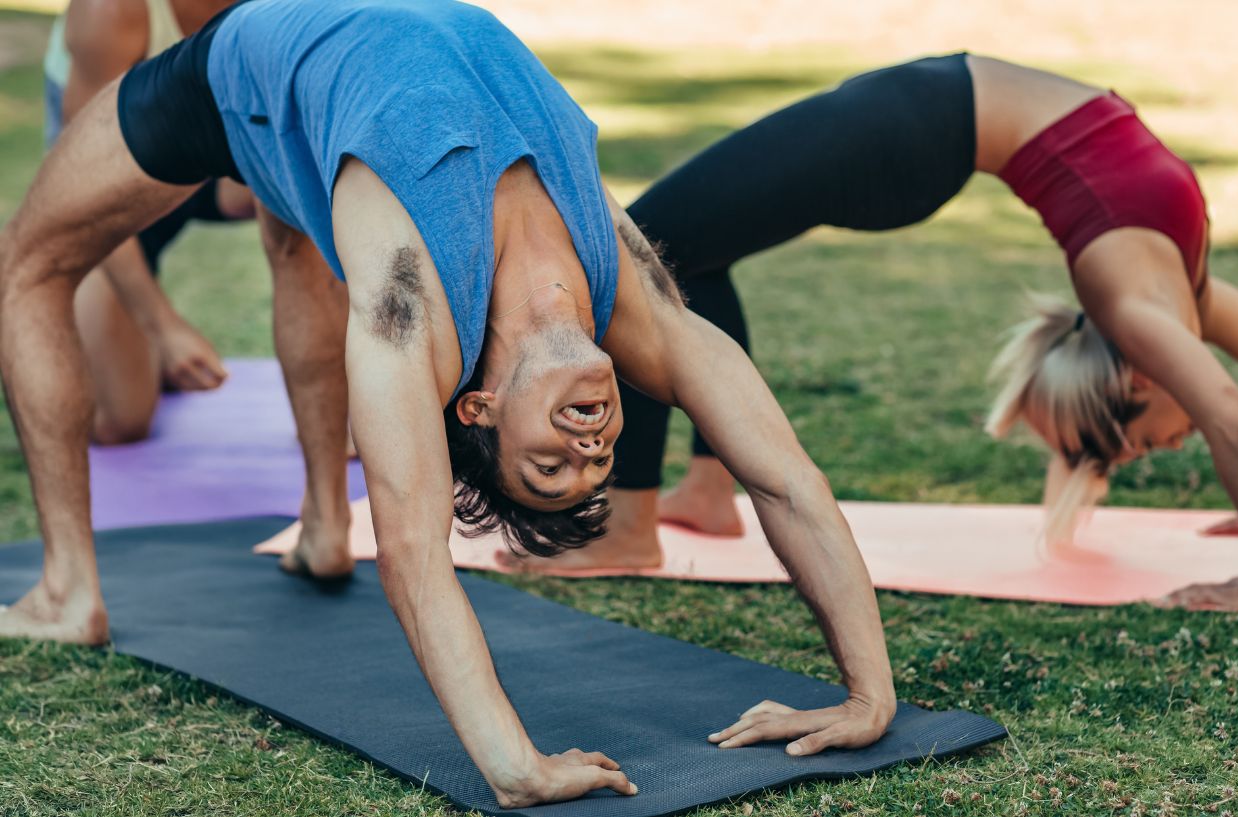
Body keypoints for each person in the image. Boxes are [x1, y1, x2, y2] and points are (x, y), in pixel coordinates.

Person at [0, 1, 897, 806]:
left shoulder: (409, 309)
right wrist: (869, 691)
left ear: (479, 406)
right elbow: (783, 479)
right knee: (292, 229)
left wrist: (516, 763)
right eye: (592, 464)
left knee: (27, 265)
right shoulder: (626, 295)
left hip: (239, 66)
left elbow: (413, 556)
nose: (590, 448)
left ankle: (74, 589)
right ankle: (314, 525)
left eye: (547, 464)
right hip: (329, 68)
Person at [539, 53, 1238, 613]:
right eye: (1158, 442)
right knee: (664, 249)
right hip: (911, 127)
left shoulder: (1158, 292)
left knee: (647, 252)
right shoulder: (1149, 305)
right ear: (1139, 377)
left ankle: (643, 518)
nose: (1183, 435)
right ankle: (687, 495)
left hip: (918, 125)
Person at [45, 0, 255, 445]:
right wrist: (163, 325)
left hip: (198, 171)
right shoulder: (110, 12)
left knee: (300, 180)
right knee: (121, 420)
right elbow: (88, 194)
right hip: (103, 195)